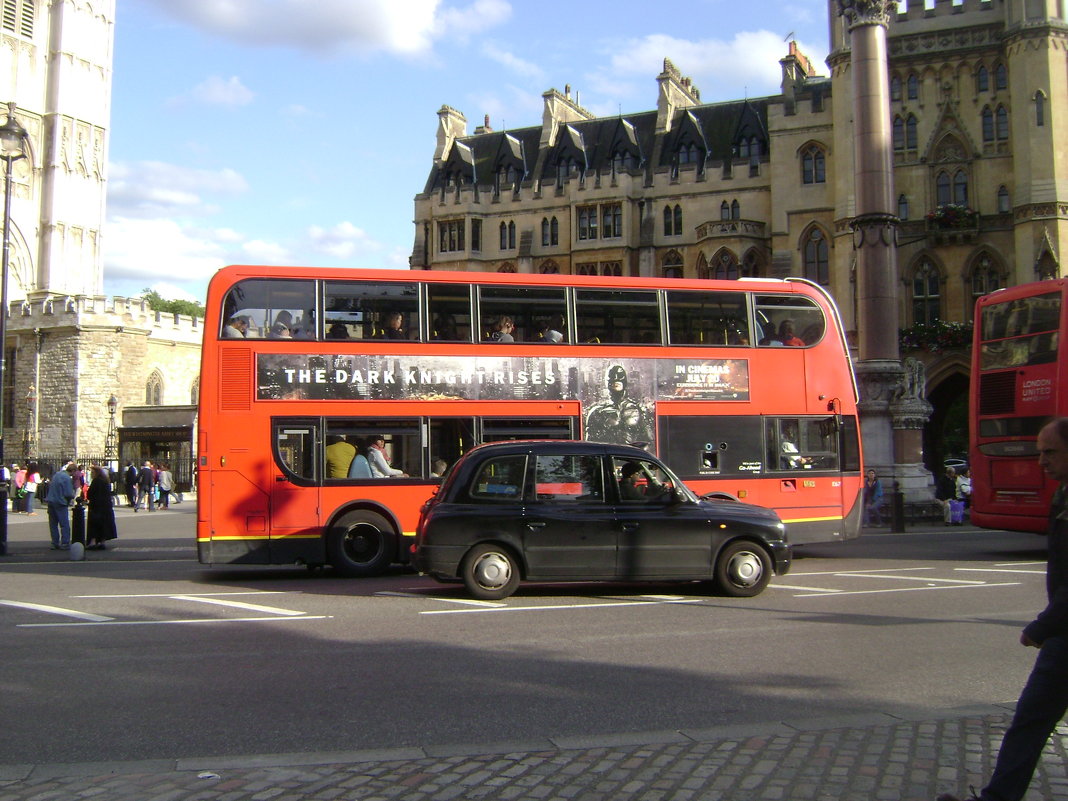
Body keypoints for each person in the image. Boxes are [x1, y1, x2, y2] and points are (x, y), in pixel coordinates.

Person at [937, 417, 1068, 801]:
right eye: (1039, 452)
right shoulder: (1062, 494)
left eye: (1050, 452)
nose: (1041, 461)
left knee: (1031, 719)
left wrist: (1042, 627)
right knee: (1030, 721)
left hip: (1063, 634)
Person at [584, 365, 654, 446]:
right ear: (608, 382)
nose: (616, 379)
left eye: (619, 377)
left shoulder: (637, 410)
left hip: (631, 455)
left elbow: (648, 441)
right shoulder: (597, 412)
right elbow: (590, 444)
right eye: (613, 377)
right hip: (609, 454)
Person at [45, 462, 76, 550]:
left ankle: (54, 543)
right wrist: (71, 499)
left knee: (53, 524)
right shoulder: (67, 478)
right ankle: (65, 543)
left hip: (51, 501)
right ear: (73, 471)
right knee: (64, 524)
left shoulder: (57, 475)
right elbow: (68, 493)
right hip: (60, 502)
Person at [86, 465, 117, 550]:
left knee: (94, 525)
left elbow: (90, 494)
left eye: (92, 472)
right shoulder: (105, 481)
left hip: (96, 506)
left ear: (96, 473)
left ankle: (93, 542)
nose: (91, 474)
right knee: (104, 524)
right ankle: (102, 542)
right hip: (106, 506)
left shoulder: (96, 481)